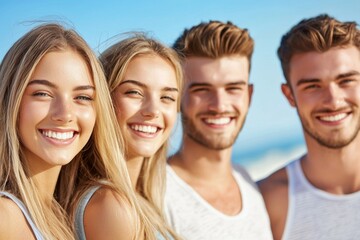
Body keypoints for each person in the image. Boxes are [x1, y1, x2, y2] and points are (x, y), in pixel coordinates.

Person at [165, 20, 273, 240]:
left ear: (249, 96)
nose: (219, 105)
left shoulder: (248, 183)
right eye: (202, 90)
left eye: (233, 88)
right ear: (176, 97)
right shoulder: (156, 195)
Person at [258, 14, 360, 240]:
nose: (333, 101)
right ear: (289, 95)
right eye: (313, 86)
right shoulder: (266, 204)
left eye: (346, 81)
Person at [74, 33, 183, 240]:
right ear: (104, 99)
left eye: (167, 97)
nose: (153, 110)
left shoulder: (138, 199)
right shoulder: (111, 205)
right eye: (134, 92)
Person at [0, 23, 100, 239]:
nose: (64, 114)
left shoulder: (63, 214)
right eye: (42, 94)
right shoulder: (4, 218)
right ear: (10, 99)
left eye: (82, 97)